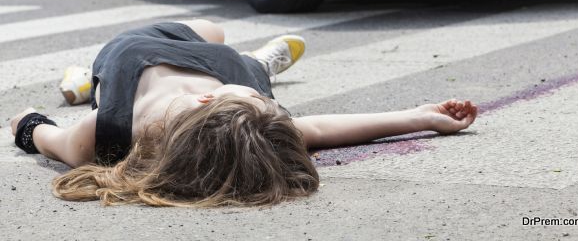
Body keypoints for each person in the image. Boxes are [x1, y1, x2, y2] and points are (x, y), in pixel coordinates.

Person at [10, 19, 478, 207]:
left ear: (206, 102)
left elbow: (43, 135)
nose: (274, 108)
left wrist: (23, 121)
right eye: (268, 103)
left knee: (211, 31)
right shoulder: (248, 123)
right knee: (226, 45)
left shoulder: (109, 131)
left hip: (135, 55)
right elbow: (316, 129)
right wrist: (422, 116)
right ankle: (261, 62)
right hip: (231, 69)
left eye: (265, 102)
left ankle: (84, 84)